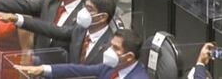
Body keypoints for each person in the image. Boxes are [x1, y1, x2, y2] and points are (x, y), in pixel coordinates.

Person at [13, 29, 147, 79]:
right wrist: (42, 69)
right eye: (110, 45)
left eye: (116, 48)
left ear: (129, 56)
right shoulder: (112, 67)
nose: (109, 50)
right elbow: (79, 70)